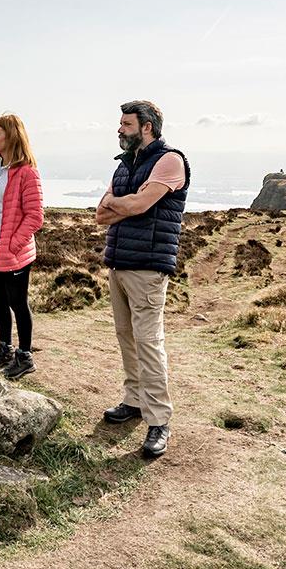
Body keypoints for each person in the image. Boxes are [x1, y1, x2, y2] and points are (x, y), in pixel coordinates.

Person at [93, 99, 187, 458]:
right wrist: (128, 203)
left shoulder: (170, 160)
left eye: (126, 124)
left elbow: (137, 207)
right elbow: (102, 216)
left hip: (148, 266)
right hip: (118, 262)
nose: (119, 129)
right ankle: (133, 401)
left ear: (146, 126)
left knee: (148, 341)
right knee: (126, 337)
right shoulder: (124, 166)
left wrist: (127, 204)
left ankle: (159, 420)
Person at [0, 113, 45, 380]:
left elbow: (35, 217)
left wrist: (13, 244)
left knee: (18, 303)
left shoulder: (27, 172)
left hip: (14, 252)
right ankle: (5, 349)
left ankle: (24, 357)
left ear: (11, 137)